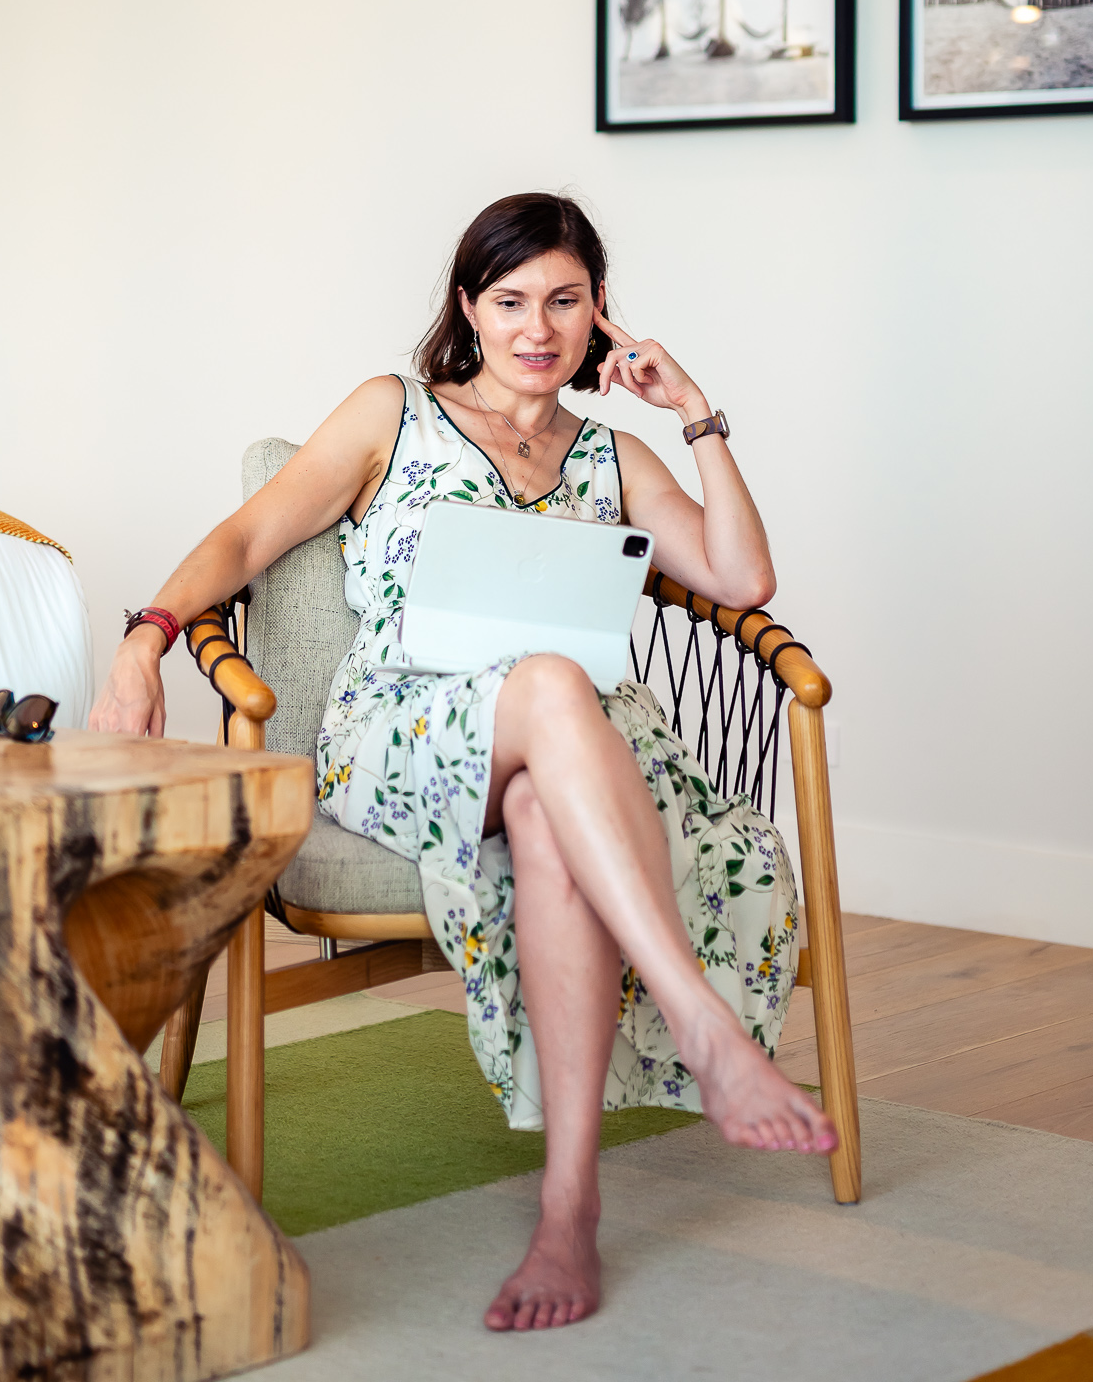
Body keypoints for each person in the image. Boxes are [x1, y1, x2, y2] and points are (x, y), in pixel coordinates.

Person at [90, 191, 835, 1329]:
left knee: (543, 810)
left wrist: (696, 414)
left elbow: (743, 580)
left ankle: (567, 1212)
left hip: (580, 755)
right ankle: (702, 1021)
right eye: (512, 301)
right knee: (550, 681)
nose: (540, 328)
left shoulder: (614, 455)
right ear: (469, 309)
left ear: (600, 313)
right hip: (409, 730)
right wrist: (145, 639)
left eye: (566, 301)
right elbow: (247, 538)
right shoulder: (393, 414)